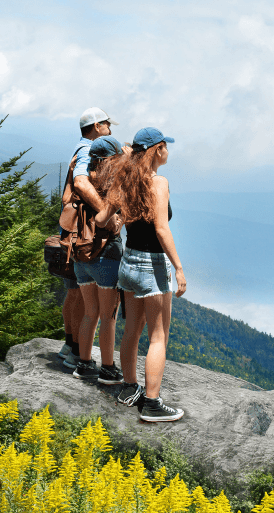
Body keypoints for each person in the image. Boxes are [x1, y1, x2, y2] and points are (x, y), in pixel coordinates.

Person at [96, 127, 187, 422]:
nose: (168, 152)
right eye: (166, 147)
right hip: (153, 265)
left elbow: (100, 219)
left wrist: (120, 215)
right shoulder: (158, 182)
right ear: (157, 149)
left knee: (132, 330)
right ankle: (152, 403)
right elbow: (161, 228)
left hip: (129, 263)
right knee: (158, 337)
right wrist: (179, 268)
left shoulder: (123, 180)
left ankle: (129, 388)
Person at [63, 107, 118, 370]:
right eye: (107, 124)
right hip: (97, 242)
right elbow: (82, 183)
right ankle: (103, 367)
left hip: (77, 242)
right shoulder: (88, 150)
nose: (110, 128)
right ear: (97, 126)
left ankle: (77, 355)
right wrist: (107, 214)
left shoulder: (78, 148)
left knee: (86, 306)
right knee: (106, 315)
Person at [71, 135, 127, 385]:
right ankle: (107, 369)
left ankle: (83, 364)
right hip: (106, 254)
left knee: (90, 313)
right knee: (108, 316)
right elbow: (117, 221)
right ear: (111, 158)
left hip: (79, 253)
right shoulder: (112, 183)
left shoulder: (82, 180)